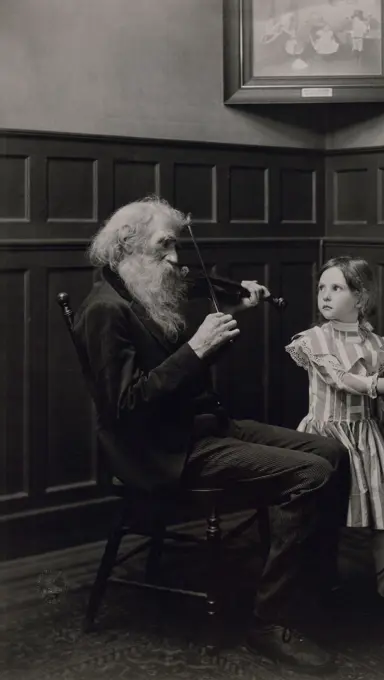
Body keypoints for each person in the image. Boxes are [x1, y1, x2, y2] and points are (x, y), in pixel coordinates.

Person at [74, 197, 350, 673]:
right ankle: (270, 620)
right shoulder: (104, 310)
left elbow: (179, 376)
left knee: (332, 451)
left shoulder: (140, 293)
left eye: (177, 248)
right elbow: (126, 408)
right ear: (128, 246)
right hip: (159, 451)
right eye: (165, 247)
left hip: (195, 428)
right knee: (312, 473)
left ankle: (308, 588)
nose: (176, 260)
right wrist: (197, 349)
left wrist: (217, 331)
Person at [285, 255, 384, 617]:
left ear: (360, 298)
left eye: (336, 288)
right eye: (321, 288)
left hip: (366, 438)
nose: (324, 296)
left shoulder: (375, 342)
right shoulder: (314, 340)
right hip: (326, 439)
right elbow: (342, 380)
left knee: (383, 514)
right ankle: (318, 585)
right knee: (323, 517)